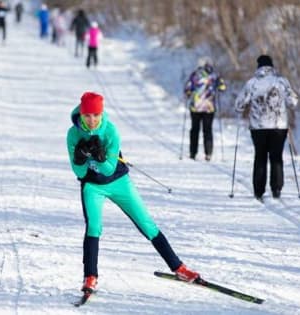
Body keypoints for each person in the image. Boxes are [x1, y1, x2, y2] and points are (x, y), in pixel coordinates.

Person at [66, 91, 200, 293]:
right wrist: (80, 157)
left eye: (96, 115)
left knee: (146, 223)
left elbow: (109, 169)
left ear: (102, 114)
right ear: (81, 115)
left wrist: (99, 156)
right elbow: (79, 172)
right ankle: (90, 277)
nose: (92, 120)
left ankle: (178, 267)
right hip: (93, 186)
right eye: (87, 116)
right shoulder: (73, 134)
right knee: (94, 227)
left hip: (119, 182)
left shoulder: (110, 131)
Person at [235, 55, 298, 200]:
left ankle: (259, 191)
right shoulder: (281, 82)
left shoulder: (252, 83)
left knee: (260, 156)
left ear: (258, 67)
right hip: (278, 126)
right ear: (272, 66)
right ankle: (276, 189)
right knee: (276, 157)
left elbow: (239, 104)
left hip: (258, 127)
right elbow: (293, 102)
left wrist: (243, 108)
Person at [184, 57, 226, 161]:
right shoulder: (214, 76)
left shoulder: (195, 75)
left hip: (196, 107)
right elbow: (222, 88)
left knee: (195, 130)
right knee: (207, 130)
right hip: (209, 107)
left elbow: (187, 89)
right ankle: (208, 153)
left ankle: (193, 153)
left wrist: (189, 94)